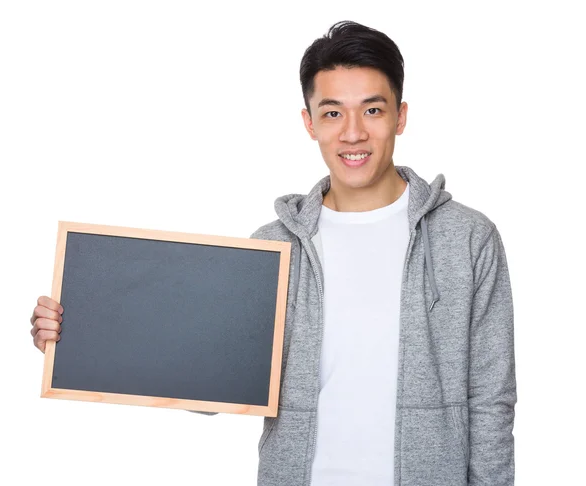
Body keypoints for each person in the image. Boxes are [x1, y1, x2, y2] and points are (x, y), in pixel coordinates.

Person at [30, 20, 517, 486]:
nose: (351, 133)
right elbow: (211, 377)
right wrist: (76, 334)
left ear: (400, 116)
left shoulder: (468, 238)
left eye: (372, 109)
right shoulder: (274, 246)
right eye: (332, 113)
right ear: (309, 123)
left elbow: (492, 400)